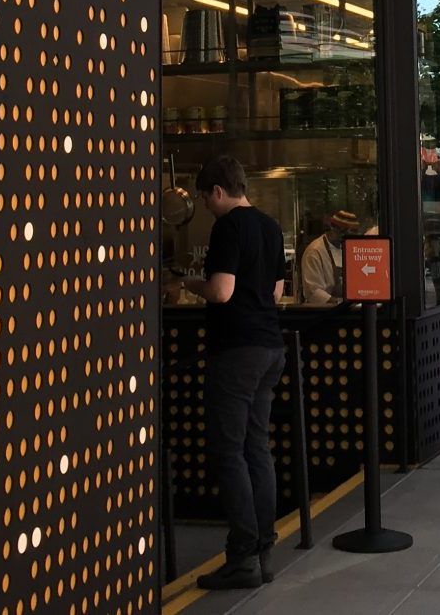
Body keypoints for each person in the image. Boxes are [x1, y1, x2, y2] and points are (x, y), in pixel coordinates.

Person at [181, 156, 287, 592]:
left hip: (237, 350)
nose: (206, 205)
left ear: (218, 192)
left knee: (229, 453)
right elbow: (277, 292)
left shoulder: (227, 228)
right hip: (270, 347)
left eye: (205, 197)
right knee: (257, 448)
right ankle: (263, 549)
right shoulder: (270, 226)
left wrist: (189, 284)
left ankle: (242, 556)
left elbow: (221, 292)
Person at [298, 210, 360, 304]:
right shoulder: (315, 252)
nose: (345, 240)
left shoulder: (349, 248)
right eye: (342, 234)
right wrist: (339, 304)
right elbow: (313, 291)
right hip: (325, 312)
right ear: (333, 229)